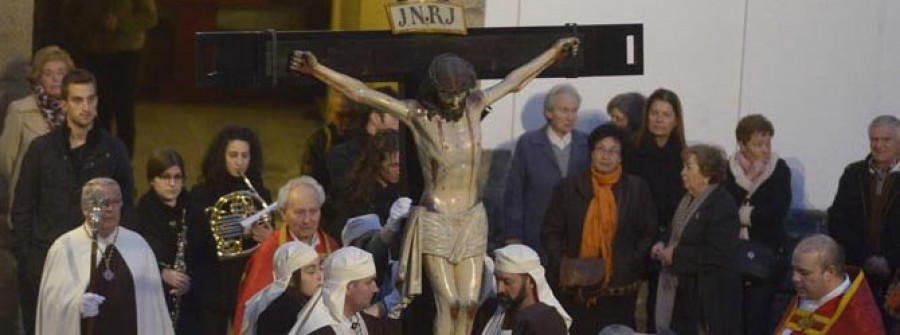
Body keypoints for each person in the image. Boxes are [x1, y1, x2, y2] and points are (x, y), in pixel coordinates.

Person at [291, 36, 580, 335]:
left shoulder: (474, 105)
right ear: (435, 90)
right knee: (450, 301)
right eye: (447, 94)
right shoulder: (419, 115)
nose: (455, 101)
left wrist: (554, 53)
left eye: (459, 94)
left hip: (471, 217)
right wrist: (317, 71)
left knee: (469, 302)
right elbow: (362, 93)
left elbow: (515, 81)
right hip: (436, 218)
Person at [13, 68, 134, 334]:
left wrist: (110, 257)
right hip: (45, 263)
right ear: (64, 104)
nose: (86, 107)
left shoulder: (114, 151)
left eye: (91, 99)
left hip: (96, 263)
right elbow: (22, 207)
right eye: (78, 100)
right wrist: (29, 257)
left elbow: (127, 205)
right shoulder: (41, 150)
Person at [541, 124, 657, 333]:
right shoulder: (569, 187)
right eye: (600, 149)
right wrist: (562, 265)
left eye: (613, 151)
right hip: (576, 289)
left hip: (620, 289)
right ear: (591, 153)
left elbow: (648, 233)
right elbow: (551, 231)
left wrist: (627, 263)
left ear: (621, 157)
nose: (606, 156)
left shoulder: (636, 189)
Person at [35, 178, 173, 335]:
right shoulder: (65, 248)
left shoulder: (139, 245)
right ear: (85, 208)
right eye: (104, 202)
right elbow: (51, 306)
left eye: (116, 202)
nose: (110, 209)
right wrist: (76, 306)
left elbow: (152, 310)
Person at [188, 125, 273, 335]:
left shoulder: (260, 192)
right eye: (233, 155)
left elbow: (270, 240)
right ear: (221, 156)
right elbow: (196, 237)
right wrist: (234, 229)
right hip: (212, 278)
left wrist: (268, 236)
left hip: (245, 278)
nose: (239, 162)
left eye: (245, 156)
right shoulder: (201, 193)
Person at [651, 144, 741, 334]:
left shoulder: (721, 205)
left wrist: (675, 255)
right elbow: (675, 230)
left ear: (707, 174)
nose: (682, 172)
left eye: (689, 167)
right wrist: (662, 243)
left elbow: (717, 253)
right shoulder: (687, 199)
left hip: (707, 298)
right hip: (682, 293)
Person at [232, 176, 339, 334]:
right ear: (283, 213)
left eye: (313, 211)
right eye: (300, 212)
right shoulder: (271, 250)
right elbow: (254, 307)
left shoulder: (332, 247)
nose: (307, 220)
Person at [827, 114, 900, 329]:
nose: (878, 145)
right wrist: (865, 257)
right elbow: (837, 219)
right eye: (874, 139)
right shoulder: (853, 174)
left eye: (886, 139)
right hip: (858, 269)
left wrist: (890, 260)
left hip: (896, 274)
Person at [722, 114, 791, 334]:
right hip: (729, 254)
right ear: (742, 144)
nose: (765, 150)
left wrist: (740, 213)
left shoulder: (779, 170)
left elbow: (775, 213)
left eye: (767, 143)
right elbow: (722, 208)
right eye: (758, 144)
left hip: (764, 253)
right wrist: (747, 179)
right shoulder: (727, 169)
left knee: (757, 318)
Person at [503, 83, 589, 259]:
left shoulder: (585, 144)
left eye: (574, 111)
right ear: (548, 113)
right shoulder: (529, 144)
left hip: (576, 238)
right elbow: (515, 192)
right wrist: (513, 235)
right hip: (537, 235)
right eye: (564, 110)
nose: (570, 117)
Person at [61, 0, 158, 155]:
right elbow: (69, 13)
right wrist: (86, 30)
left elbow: (150, 17)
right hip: (94, 54)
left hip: (126, 55)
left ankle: (124, 160)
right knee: (97, 109)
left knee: (124, 110)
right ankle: (99, 156)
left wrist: (121, 24)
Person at [129, 148, 196, 332]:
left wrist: (190, 281)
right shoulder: (139, 216)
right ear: (152, 180)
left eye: (178, 177)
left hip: (190, 308)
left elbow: (208, 260)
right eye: (165, 177)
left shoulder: (193, 211)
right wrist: (161, 273)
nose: (173, 184)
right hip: (150, 303)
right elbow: (131, 262)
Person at [1, 45, 74, 207]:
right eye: (48, 74)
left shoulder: (78, 110)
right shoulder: (20, 110)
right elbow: (6, 160)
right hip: (29, 201)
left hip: (68, 202)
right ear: (38, 77)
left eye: (61, 73)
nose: (56, 79)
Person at [774, 234, 885, 334]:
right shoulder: (806, 294)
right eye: (794, 270)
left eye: (804, 273)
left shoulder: (860, 320)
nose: (795, 278)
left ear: (829, 272)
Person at [290, 246, 402, 335]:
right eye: (369, 282)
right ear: (349, 287)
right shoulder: (322, 330)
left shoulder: (355, 316)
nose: (375, 289)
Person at [471, 244, 570, 335]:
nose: (500, 289)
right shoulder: (488, 310)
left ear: (530, 281)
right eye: (497, 280)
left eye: (507, 282)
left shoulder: (545, 322)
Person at [329, 129, 404, 241]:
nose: (399, 171)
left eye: (402, 165)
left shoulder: (404, 189)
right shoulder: (353, 192)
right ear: (377, 163)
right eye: (393, 166)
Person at [326, 86, 400, 191]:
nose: (400, 123)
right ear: (375, 117)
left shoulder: (400, 149)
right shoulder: (343, 155)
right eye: (395, 117)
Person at [240, 241, 323, 335]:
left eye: (320, 268)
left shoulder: (313, 302)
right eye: (311, 271)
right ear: (291, 280)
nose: (320, 276)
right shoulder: (278, 316)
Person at [302, 93, 356, 193]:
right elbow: (309, 179)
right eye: (340, 115)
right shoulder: (318, 141)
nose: (346, 121)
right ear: (330, 114)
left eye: (350, 115)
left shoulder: (360, 138)